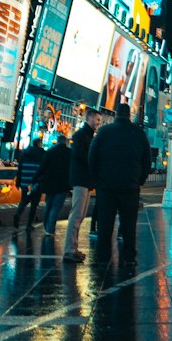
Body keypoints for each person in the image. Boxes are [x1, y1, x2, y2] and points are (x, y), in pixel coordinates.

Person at [89, 100, 152, 266]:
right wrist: (140, 179)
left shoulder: (103, 132)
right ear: (129, 114)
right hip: (130, 187)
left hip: (106, 187)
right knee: (129, 225)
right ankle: (129, 257)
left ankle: (103, 257)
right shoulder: (139, 133)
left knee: (105, 225)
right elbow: (147, 160)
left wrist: (97, 179)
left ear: (116, 114)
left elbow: (92, 157)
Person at [64, 111, 98, 262]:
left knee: (81, 215)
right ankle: (69, 250)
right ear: (89, 118)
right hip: (80, 180)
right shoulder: (80, 136)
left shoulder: (89, 136)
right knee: (76, 215)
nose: (98, 122)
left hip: (85, 180)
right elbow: (81, 157)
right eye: (97, 119)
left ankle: (74, 248)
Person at [39, 134, 71, 237]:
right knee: (56, 207)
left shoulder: (50, 152)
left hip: (50, 183)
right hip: (63, 184)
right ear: (65, 142)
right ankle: (50, 228)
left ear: (57, 141)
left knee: (49, 205)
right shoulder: (69, 153)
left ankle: (46, 225)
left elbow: (42, 167)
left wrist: (36, 178)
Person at [14, 132, 47, 229]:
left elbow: (20, 168)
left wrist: (18, 182)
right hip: (36, 183)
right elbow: (43, 169)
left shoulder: (25, 153)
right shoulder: (42, 154)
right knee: (34, 204)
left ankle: (18, 213)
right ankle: (29, 224)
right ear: (39, 144)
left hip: (25, 182)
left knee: (24, 200)